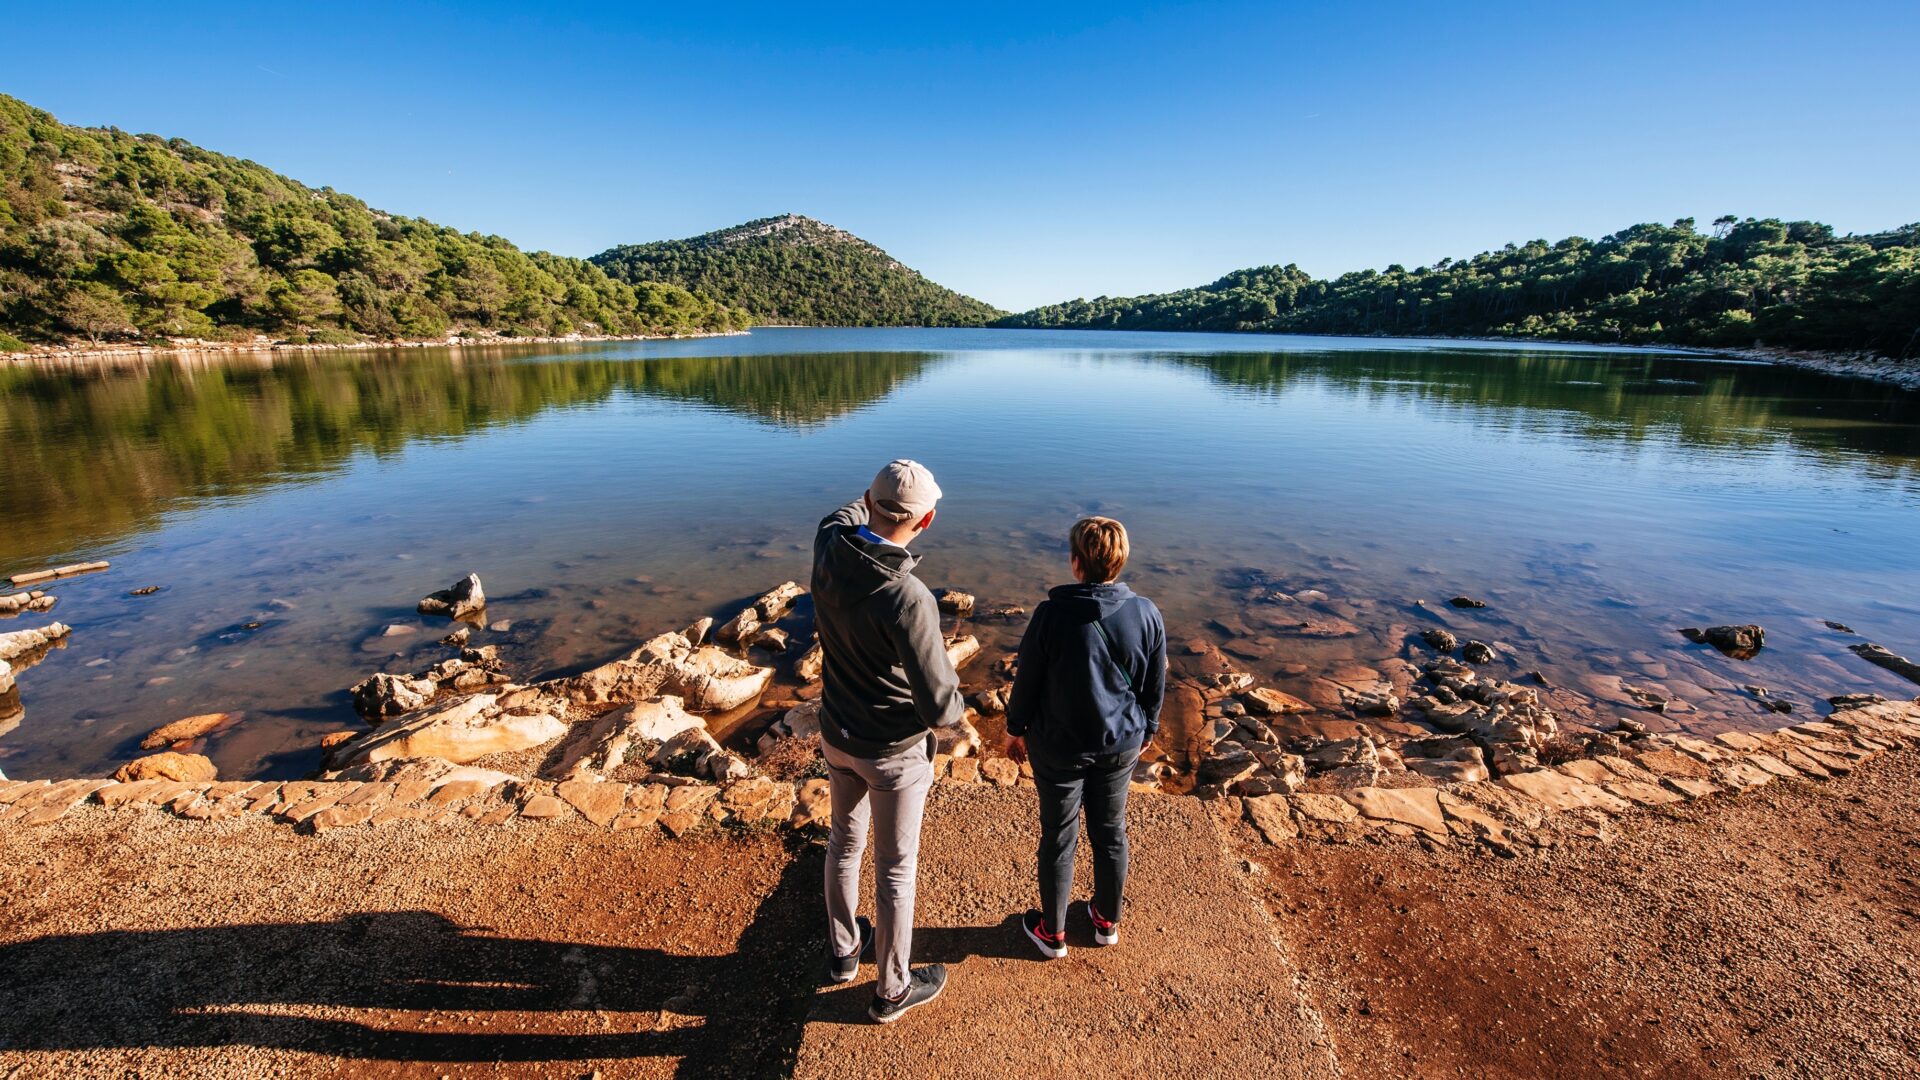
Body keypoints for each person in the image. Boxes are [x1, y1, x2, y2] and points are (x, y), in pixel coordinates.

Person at [812, 459, 965, 1023]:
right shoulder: (909, 596)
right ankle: (892, 991)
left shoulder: (829, 544)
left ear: (868, 502)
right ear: (926, 521)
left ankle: (843, 953)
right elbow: (940, 707)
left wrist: (872, 501)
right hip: (892, 752)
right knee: (896, 869)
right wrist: (960, 701)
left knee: (843, 843)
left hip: (837, 734)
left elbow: (843, 513)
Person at [1004, 516, 1166, 959]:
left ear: (1076, 563)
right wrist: (1149, 728)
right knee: (1110, 831)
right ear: (1121, 561)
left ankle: (1052, 933)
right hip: (1120, 743)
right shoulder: (1146, 613)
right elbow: (1154, 683)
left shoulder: (1051, 615)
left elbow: (1028, 681)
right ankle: (1106, 921)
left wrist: (1015, 729)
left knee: (1059, 835)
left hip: (1058, 746)